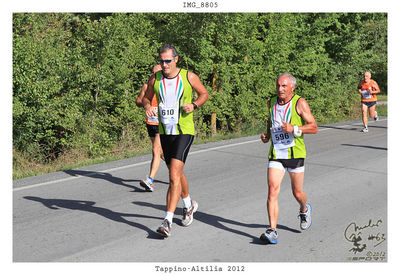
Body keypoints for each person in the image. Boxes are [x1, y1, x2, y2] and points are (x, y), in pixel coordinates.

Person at [142, 44, 209, 237]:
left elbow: (205, 94)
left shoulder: (189, 77)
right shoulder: (155, 78)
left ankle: (167, 221)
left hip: (184, 131)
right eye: (161, 61)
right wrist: (148, 107)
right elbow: (145, 99)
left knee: (173, 176)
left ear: (176, 59)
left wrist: (194, 105)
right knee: (176, 172)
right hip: (165, 132)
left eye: (168, 61)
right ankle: (189, 205)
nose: (164, 65)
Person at [259, 73, 318, 244]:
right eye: (278, 85)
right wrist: (267, 136)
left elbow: (314, 127)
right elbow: (271, 122)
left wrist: (294, 128)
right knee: (272, 189)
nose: (280, 89)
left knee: (297, 193)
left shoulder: (300, 103)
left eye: (284, 86)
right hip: (276, 153)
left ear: (292, 87)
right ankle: (272, 230)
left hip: (295, 153)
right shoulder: (271, 102)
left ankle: (304, 209)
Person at [136, 65, 163, 192]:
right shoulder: (147, 86)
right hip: (151, 122)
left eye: (156, 73)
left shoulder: (165, 87)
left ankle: (150, 180)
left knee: (155, 150)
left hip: (162, 123)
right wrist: (147, 105)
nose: (153, 75)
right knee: (160, 153)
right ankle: (176, 172)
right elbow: (138, 101)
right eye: (152, 72)